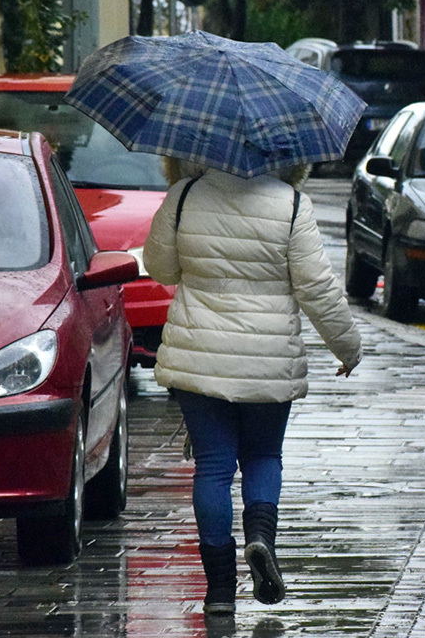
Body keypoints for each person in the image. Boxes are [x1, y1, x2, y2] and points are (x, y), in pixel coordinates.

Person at [143, 158, 363, 617]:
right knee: (263, 456)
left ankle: (220, 590)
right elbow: (316, 288)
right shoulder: (291, 204)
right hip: (268, 359)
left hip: (198, 355)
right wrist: (347, 347)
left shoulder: (184, 195)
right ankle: (260, 537)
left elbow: (160, 267)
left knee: (213, 467)